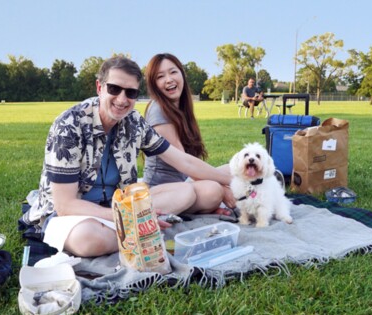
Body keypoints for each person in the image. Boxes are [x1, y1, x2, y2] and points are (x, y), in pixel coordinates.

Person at [19, 56, 234, 258]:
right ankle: (144, 232)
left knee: (186, 191)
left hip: (121, 204)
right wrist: (131, 218)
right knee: (90, 239)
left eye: (130, 93)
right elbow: (65, 205)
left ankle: (136, 231)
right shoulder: (69, 125)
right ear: (99, 87)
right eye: (114, 89)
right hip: (77, 214)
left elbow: (182, 160)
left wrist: (231, 180)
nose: (122, 99)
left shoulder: (133, 122)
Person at [143, 53, 235, 215]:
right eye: (160, 76)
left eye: (173, 72)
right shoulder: (158, 109)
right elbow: (185, 163)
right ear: (154, 84)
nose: (169, 79)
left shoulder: (181, 108)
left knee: (233, 168)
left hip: (184, 182)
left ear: (182, 74)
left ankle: (199, 206)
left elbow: (191, 163)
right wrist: (228, 185)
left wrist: (227, 180)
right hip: (162, 191)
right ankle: (194, 206)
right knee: (214, 190)